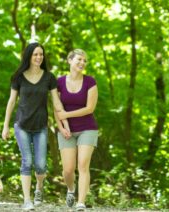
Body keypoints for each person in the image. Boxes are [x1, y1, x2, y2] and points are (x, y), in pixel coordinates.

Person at [2, 42, 69, 210]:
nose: (39, 57)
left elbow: (56, 103)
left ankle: (39, 188)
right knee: (27, 161)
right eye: (35, 55)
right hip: (22, 125)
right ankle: (26, 200)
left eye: (41, 54)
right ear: (29, 56)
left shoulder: (49, 77)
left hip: (41, 126)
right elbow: (11, 102)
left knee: (40, 165)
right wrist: (5, 126)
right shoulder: (18, 77)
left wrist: (64, 124)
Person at [55, 49, 98, 211]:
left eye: (85, 61)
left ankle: (81, 202)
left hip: (87, 128)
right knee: (67, 170)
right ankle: (71, 190)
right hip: (66, 130)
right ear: (70, 60)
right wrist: (61, 127)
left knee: (83, 165)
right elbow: (56, 108)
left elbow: (89, 108)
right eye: (79, 59)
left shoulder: (90, 82)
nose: (82, 63)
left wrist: (67, 113)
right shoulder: (59, 82)